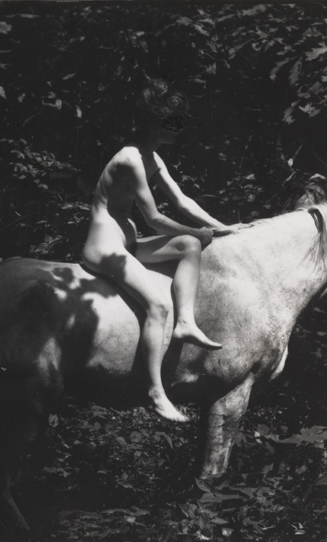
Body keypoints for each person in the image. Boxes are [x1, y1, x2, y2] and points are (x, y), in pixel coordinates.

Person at [82, 79, 232, 422]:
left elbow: (181, 200)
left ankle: (185, 322)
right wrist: (199, 230)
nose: (179, 128)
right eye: (172, 121)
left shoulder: (152, 157)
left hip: (126, 241)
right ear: (155, 123)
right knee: (157, 302)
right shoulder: (131, 159)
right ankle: (156, 393)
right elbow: (153, 218)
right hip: (103, 244)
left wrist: (222, 228)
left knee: (189, 245)